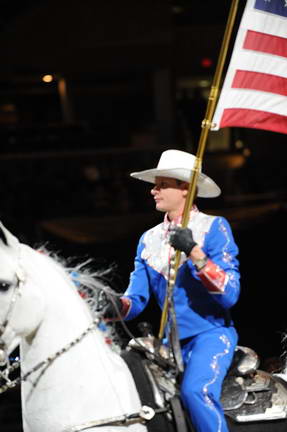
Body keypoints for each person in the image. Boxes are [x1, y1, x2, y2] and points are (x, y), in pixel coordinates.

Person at [105, 149, 240, 432]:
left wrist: (194, 252)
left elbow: (229, 294)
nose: (153, 190)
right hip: (167, 346)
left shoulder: (215, 227)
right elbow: (137, 300)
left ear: (185, 189)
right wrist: (113, 306)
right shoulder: (149, 239)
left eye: (162, 184)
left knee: (195, 392)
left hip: (211, 336)